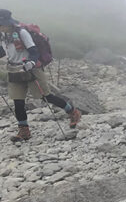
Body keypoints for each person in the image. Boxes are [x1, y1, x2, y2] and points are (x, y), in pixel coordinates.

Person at [0, 9, 81, 141]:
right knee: (18, 101)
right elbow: (2, 52)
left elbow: (34, 51)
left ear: (7, 23)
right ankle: (24, 131)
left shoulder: (22, 33)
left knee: (46, 96)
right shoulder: (2, 35)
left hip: (31, 69)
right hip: (14, 69)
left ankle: (72, 111)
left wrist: (31, 62)